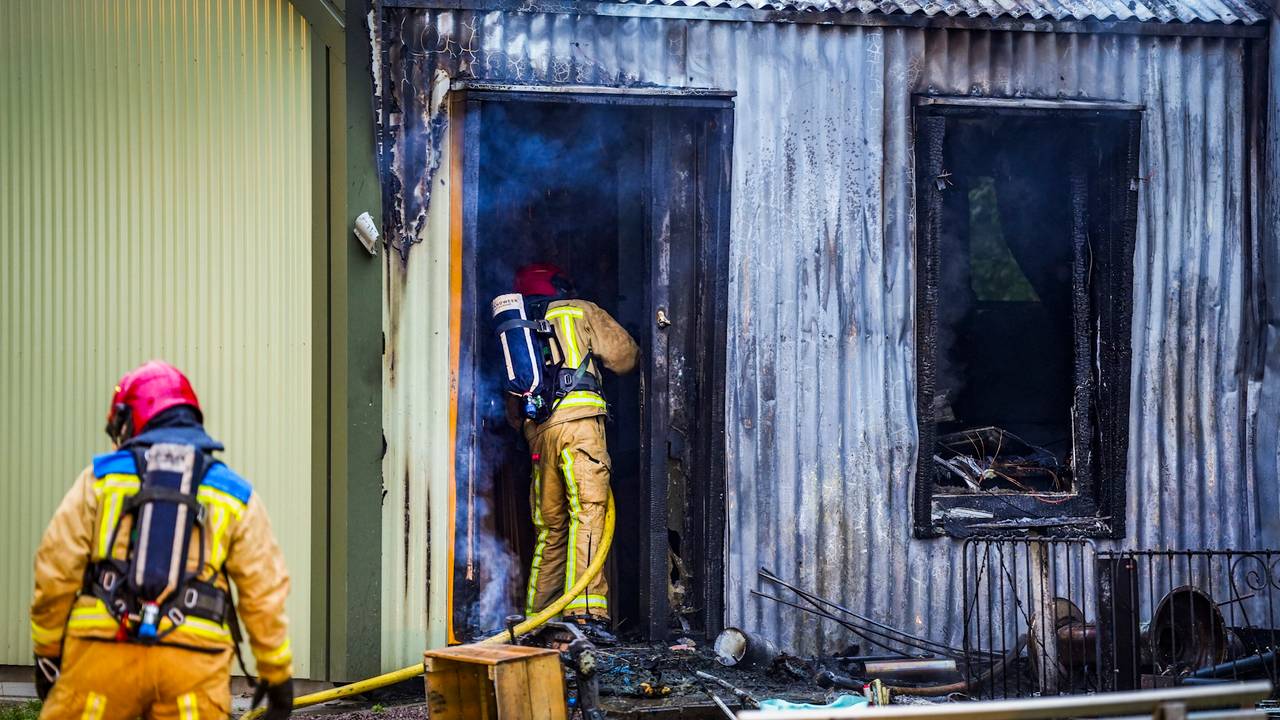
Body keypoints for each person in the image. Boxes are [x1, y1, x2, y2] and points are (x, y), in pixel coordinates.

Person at [30, 360, 294, 720]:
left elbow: (55, 570)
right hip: (193, 667)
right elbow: (264, 591)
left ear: (131, 419)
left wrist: (47, 652)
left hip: (101, 657)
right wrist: (276, 672)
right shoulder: (233, 494)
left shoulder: (101, 480)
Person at [513, 263, 638, 643]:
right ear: (559, 286)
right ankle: (586, 614)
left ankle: (537, 619)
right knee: (589, 512)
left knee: (550, 528)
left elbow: (511, 409)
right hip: (580, 427)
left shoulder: (516, 331)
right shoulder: (579, 309)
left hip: (539, 436)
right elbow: (625, 357)